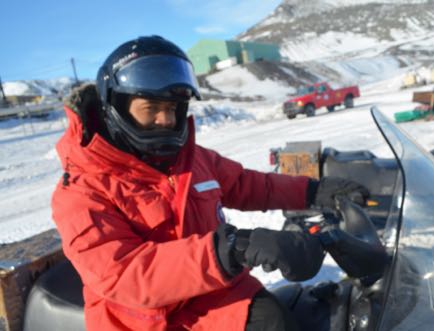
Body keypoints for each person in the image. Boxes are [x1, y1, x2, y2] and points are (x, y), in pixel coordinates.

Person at [51, 35, 368, 331]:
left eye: (173, 109)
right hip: (144, 319)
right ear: (115, 107)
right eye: (151, 109)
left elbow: (247, 184)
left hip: (209, 295)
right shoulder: (81, 191)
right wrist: (232, 249)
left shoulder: (190, 159)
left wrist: (313, 191)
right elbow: (124, 275)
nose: (166, 120)